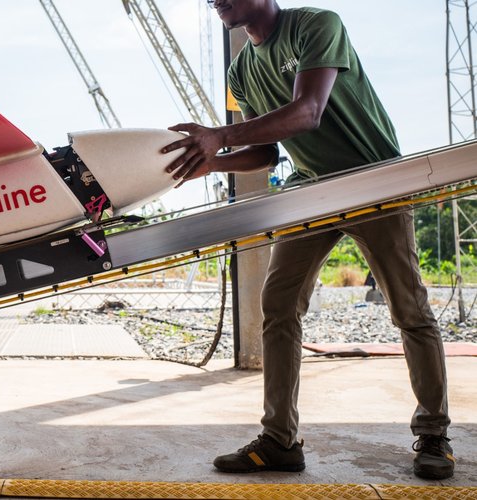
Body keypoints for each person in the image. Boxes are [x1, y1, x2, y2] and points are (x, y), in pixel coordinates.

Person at [161, 0, 454, 480]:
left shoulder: (317, 25)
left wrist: (219, 135)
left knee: (409, 310)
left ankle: (435, 435)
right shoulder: (241, 71)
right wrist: (212, 161)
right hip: (311, 189)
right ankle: (280, 441)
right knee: (278, 304)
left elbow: (307, 112)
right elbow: (265, 153)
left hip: (371, 179)